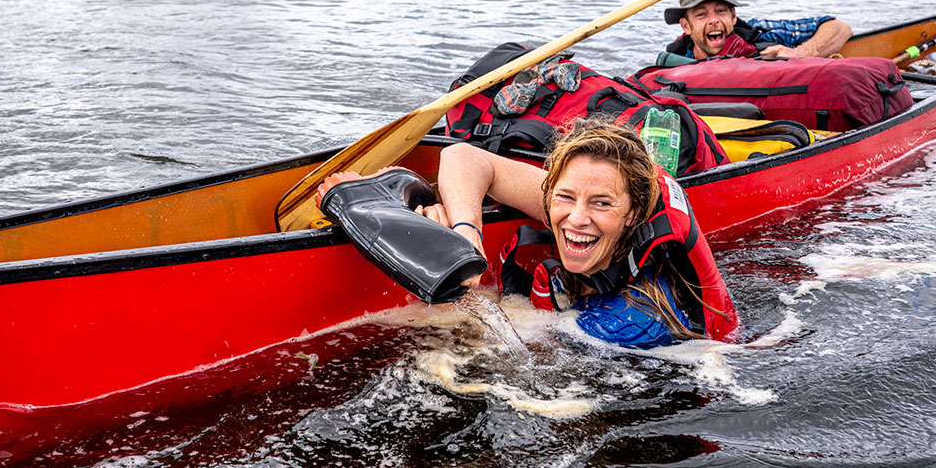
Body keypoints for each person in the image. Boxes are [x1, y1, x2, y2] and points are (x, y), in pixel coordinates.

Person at [316, 118, 738, 348]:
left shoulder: (632, 321)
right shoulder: (586, 199)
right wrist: (466, 236)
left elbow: (509, 351)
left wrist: (439, 263)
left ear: (632, 215)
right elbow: (462, 156)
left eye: (601, 204)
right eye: (564, 197)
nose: (576, 218)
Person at [664, 0, 852, 61]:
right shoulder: (675, 61)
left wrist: (801, 53)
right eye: (701, 14)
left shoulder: (758, 33)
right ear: (686, 26)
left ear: (733, 16)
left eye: (721, 11)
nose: (714, 20)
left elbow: (840, 27)